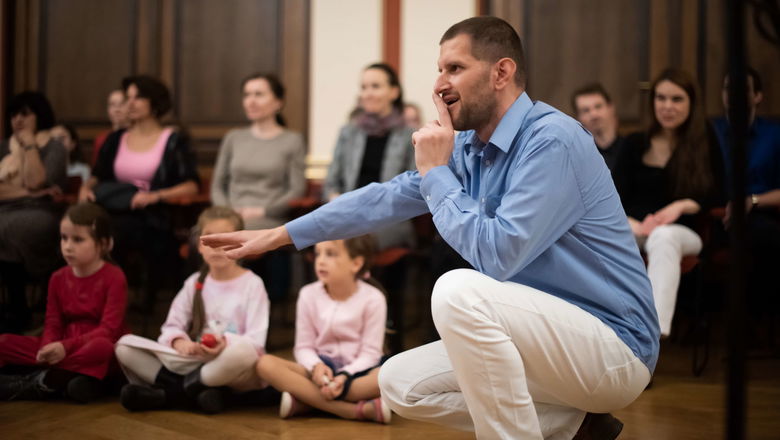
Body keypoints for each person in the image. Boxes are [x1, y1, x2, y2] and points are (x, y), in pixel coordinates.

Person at [203, 16, 658, 439]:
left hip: (614, 349)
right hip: (544, 343)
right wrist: (280, 235)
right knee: (400, 384)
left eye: (455, 68)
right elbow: (382, 198)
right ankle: (576, 428)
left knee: (457, 289)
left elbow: (498, 256)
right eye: (439, 70)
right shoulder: (467, 147)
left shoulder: (552, 140)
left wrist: (436, 173)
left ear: (501, 72)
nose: (439, 85)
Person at [115, 206, 270, 414]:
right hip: (195, 360)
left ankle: (169, 394)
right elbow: (171, 326)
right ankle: (201, 390)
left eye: (226, 239)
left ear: (241, 244)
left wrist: (223, 344)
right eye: (210, 238)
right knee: (124, 346)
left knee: (244, 352)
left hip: (229, 363)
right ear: (199, 245)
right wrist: (180, 342)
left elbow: (256, 342)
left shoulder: (253, 284)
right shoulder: (193, 283)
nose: (217, 246)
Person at [613, 68, 725, 338]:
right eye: (661, 98)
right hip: (637, 227)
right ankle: (606, 328)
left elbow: (721, 193)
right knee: (605, 235)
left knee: (663, 237)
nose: (667, 106)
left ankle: (651, 336)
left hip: (683, 231)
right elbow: (611, 196)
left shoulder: (704, 141)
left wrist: (682, 205)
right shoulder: (635, 143)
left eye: (676, 99)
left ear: (691, 104)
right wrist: (631, 224)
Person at [79, 75, 199, 309]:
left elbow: (191, 185)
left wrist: (155, 196)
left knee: (112, 232)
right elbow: (98, 176)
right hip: (111, 208)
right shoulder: (116, 138)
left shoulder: (173, 140)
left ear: (155, 103)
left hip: (152, 215)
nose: (130, 103)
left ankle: (110, 303)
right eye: (128, 98)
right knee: (80, 225)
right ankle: (82, 301)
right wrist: (85, 188)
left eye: (138, 97)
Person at [0, 203, 127, 403]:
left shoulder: (114, 277)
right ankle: (64, 379)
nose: (67, 246)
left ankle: (35, 382)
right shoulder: (58, 277)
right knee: (4, 342)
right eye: (64, 238)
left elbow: (108, 330)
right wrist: (48, 346)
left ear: (103, 244)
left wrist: (65, 348)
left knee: (101, 348)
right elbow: (53, 322)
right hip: (63, 345)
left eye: (78, 240)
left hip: (92, 346)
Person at [256, 235, 390, 424]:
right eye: (318, 254)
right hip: (318, 373)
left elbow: (370, 353)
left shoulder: (373, 298)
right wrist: (316, 367)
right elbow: (303, 347)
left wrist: (344, 376)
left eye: (331, 254)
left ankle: (307, 401)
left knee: (387, 378)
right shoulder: (308, 294)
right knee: (264, 364)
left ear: (356, 263)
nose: (321, 261)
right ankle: (352, 410)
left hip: (356, 373)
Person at [211, 73, 306, 302]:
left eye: (259, 94)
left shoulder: (291, 140)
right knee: (205, 234)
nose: (251, 101)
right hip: (230, 215)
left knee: (268, 236)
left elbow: (297, 189)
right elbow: (217, 184)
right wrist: (227, 211)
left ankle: (267, 307)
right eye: (247, 95)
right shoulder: (234, 138)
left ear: (278, 102)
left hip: (268, 217)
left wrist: (264, 210)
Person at [323, 62, 416, 250]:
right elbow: (331, 181)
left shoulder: (409, 134)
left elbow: (414, 186)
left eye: (375, 86)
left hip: (390, 217)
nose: (368, 93)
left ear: (394, 92)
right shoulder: (348, 132)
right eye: (364, 87)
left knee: (355, 241)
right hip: (347, 212)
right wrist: (335, 197)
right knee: (321, 235)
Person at [712, 68, 780, 317]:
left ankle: (758, 320)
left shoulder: (774, 134)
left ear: (758, 96)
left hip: (762, 216)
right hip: (717, 219)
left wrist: (752, 201)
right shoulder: (712, 132)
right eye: (729, 89)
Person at [0, 91, 67, 333]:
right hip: (12, 207)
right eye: (14, 114)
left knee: (20, 227)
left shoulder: (54, 147)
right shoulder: (3, 147)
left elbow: (37, 180)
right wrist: (27, 193)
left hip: (41, 211)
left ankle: (18, 307)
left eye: (25, 114)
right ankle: (15, 307)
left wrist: (29, 145)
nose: (18, 120)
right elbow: (32, 189)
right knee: (6, 226)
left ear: (40, 116)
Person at [571, 83, 624, 171]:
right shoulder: (576, 158)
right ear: (577, 118)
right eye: (586, 110)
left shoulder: (631, 149)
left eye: (598, 106)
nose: (594, 115)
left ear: (611, 108)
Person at [92, 89, 129, 165]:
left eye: (122, 104)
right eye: (112, 105)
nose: (117, 109)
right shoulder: (101, 140)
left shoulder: (136, 138)